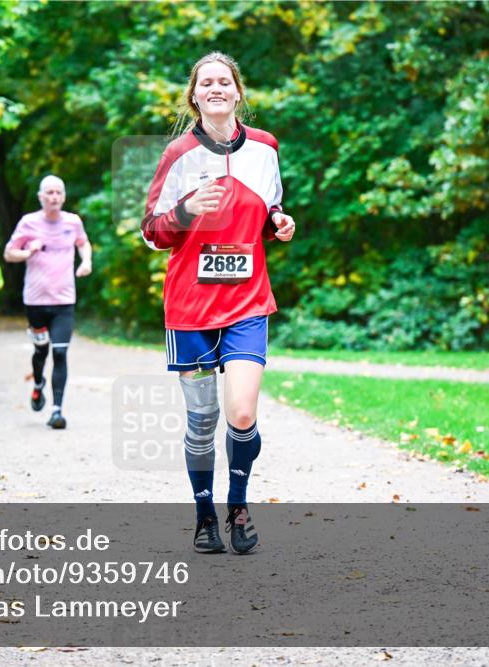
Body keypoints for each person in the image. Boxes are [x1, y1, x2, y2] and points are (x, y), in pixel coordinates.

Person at [141, 52, 296, 554]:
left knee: (243, 413)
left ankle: (239, 506)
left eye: (224, 81)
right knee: (203, 420)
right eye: (206, 82)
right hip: (190, 309)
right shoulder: (178, 154)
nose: (215, 88)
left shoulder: (266, 148)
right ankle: (204, 514)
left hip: (247, 302)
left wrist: (278, 223)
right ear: (194, 95)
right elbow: (151, 231)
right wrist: (186, 211)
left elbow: (268, 208)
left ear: (237, 92)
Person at [4, 175, 92, 430]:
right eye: (49, 193)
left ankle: (57, 411)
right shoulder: (28, 222)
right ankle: (38, 383)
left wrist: (86, 262)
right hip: (35, 302)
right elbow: (9, 253)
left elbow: (83, 243)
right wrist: (27, 252)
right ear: (41, 197)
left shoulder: (73, 222)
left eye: (58, 192)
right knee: (41, 351)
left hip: (64, 301)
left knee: (60, 352)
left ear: (63, 196)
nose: (54, 197)